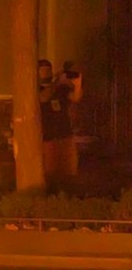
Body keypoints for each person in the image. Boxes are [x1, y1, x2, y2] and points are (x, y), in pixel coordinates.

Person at [38, 59, 83, 192]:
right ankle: (52, 196)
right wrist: (57, 82)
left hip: (65, 136)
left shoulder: (61, 88)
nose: (47, 72)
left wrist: (78, 83)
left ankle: (69, 196)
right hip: (48, 138)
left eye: (49, 69)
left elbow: (75, 98)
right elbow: (43, 98)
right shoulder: (36, 88)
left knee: (70, 170)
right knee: (51, 173)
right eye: (43, 69)